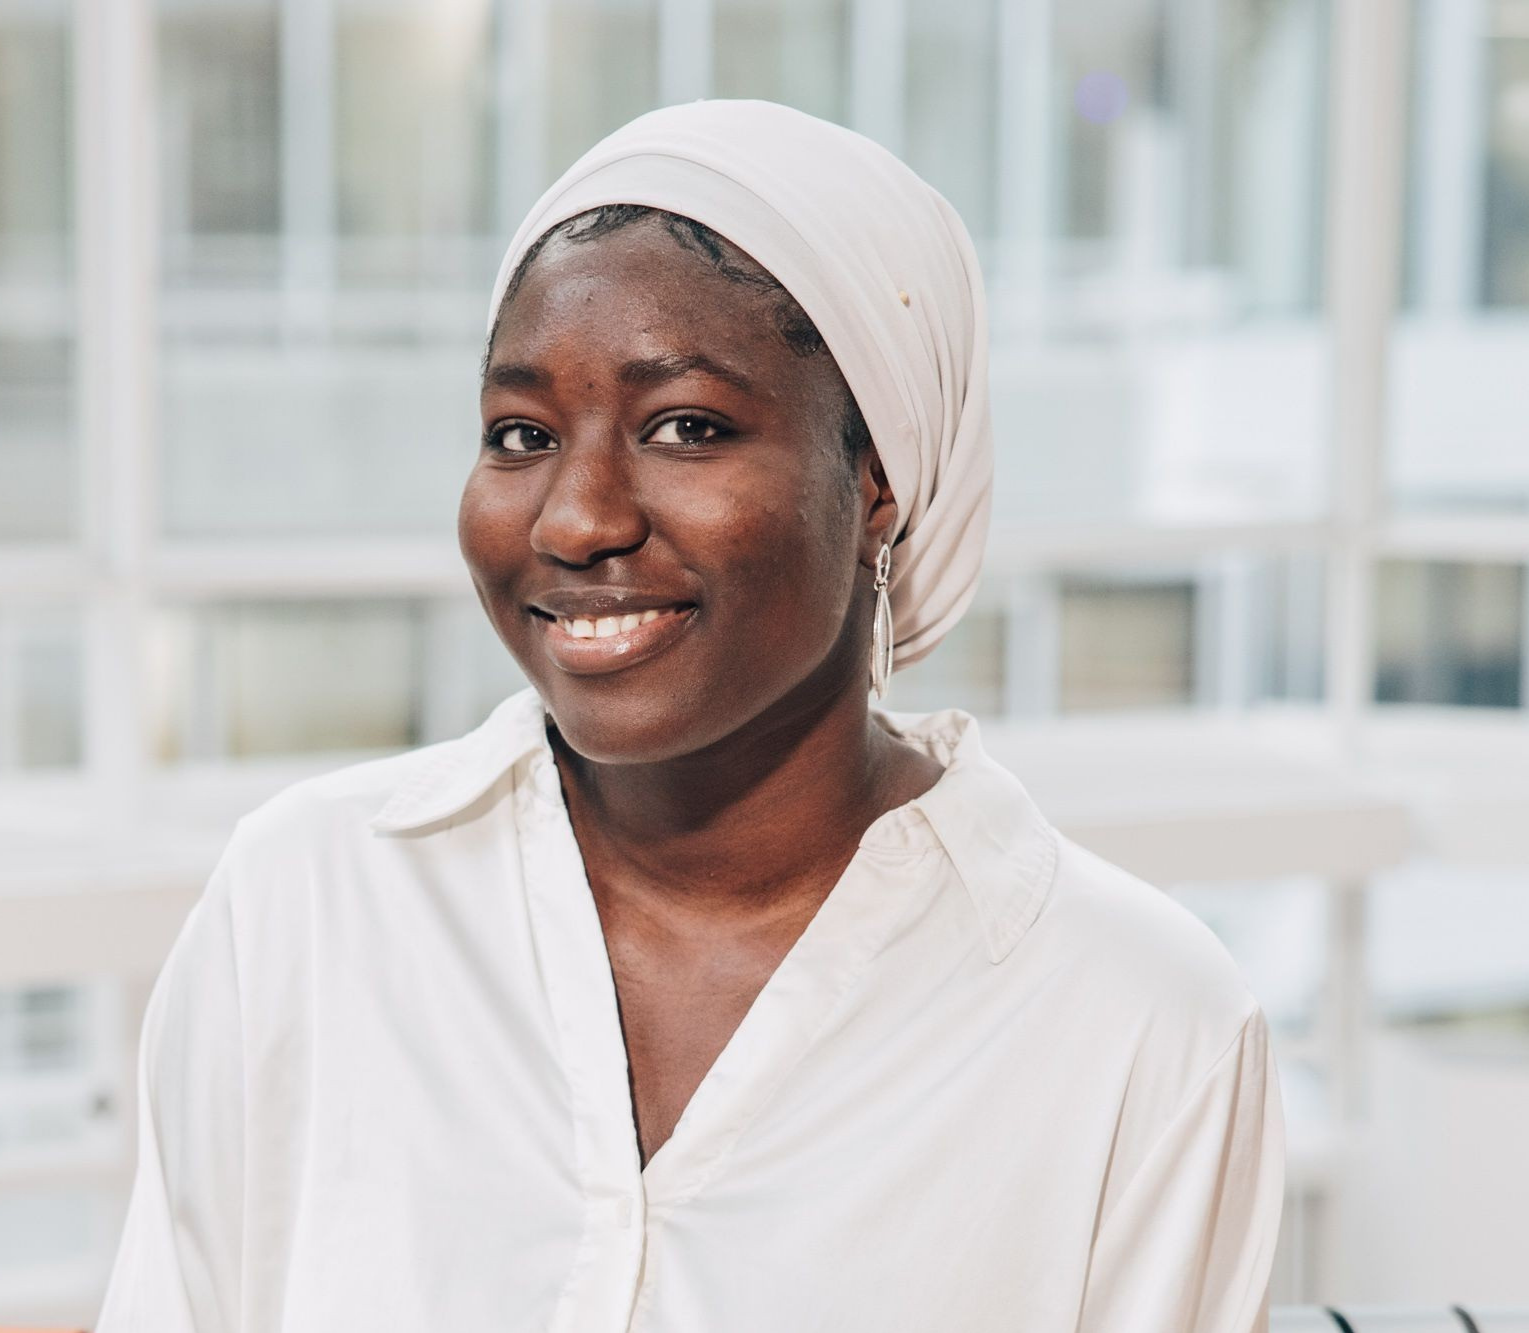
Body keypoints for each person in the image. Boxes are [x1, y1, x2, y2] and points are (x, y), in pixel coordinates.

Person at [96, 99, 1284, 1333]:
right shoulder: (304, 903)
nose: (574, 518)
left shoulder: (1139, 1025)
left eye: (686, 428)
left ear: (874, 477)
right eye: (521, 434)